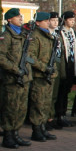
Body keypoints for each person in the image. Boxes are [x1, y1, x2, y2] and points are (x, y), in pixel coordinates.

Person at [0, 8, 33, 149]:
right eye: (17, 17)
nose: (21, 18)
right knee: (10, 108)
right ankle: (8, 136)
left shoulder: (23, 34)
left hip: (24, 78)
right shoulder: (7, 36)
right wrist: (15, 69)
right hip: (12, 79)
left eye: (20, 16)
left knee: (21, 109)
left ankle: (16, 133)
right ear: (10, 19)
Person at [27, 11, 59, 142]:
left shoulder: (48, 36)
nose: (48, 23)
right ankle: (36, 129)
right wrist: (44, 68)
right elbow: (30, 57)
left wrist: (52, 71)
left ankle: (43, 127)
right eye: (45, 21)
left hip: (48, 76)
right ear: (38, 22)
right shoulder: (34, 36)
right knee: (38, 104)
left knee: (46, 104)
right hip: (39, 76)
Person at [54, 10, 76, 127]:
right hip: (63, 65)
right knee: (60, 92)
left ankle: (63, 114)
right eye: (70, 20)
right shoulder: (60, 32)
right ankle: (58, 115)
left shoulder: (73, 32)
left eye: (73, 20)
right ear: (64, 20)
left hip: (71, 65)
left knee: (66, 91)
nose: (72, 22)